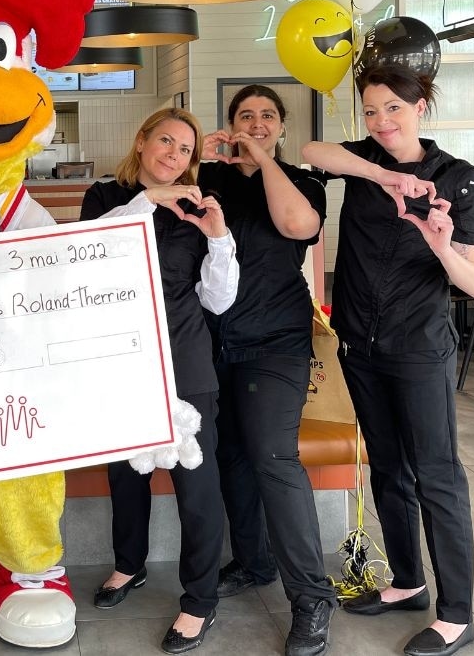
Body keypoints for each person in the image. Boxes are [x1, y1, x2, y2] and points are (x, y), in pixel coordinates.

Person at [303, 65, 474, 656]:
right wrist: (383, 174)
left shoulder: (456, 179)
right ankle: (407, 582)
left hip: (418, 350)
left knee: (436, 476)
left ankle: (456, 613)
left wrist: (440, 246)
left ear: (421, 108)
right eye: (373, 110)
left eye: (395, 109)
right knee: (387, 468)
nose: (382, 121)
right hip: (361, 346)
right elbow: (312, 149)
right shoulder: (361, 161)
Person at [81, 108, 238, 654]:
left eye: (184, 150)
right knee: (126, 475)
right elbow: (89, 258)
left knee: (197, 483)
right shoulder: (106, 198)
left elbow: (218, 299)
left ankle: (199, 599)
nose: (173, 155)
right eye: (165, 141)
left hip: (185, 357)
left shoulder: (199, 207)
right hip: (122, 358)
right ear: (143, 140)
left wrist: (218, 239)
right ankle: (130, 565)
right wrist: (147, 203)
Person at [199, 86, 336, 656]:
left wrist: (263, 161)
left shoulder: (303, 183)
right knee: (230, 455)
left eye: (267, 117)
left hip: (276, 344)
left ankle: (311, 599)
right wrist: (194, 159)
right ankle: (254, 564)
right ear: (229, 124)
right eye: (245, 116)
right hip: (213, 343)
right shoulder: (212, 181)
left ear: (281, 127)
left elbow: (297, 227)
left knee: (273, 457)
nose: (256, 123)